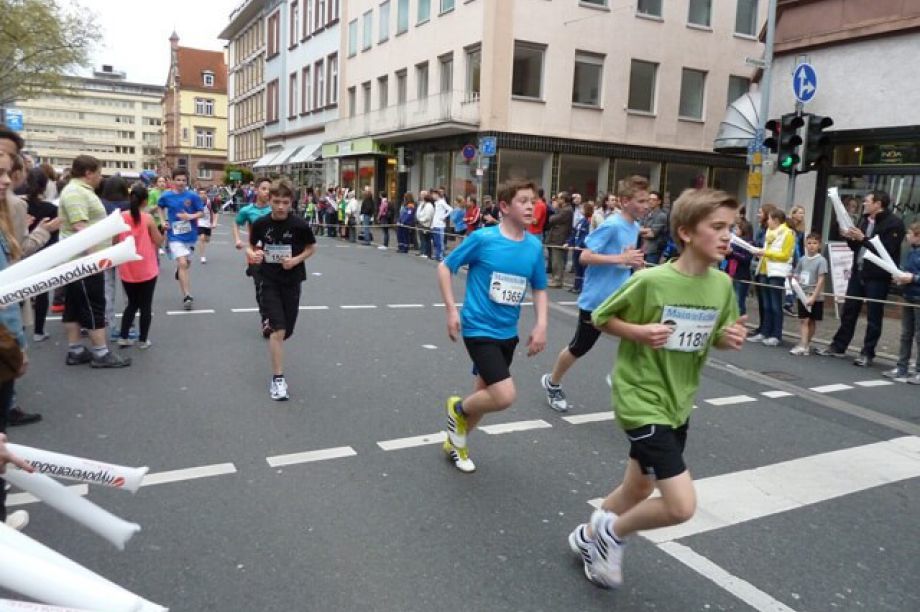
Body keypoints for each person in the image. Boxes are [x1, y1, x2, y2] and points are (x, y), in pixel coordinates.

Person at [567, 188, 746, 589]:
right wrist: (639, 332)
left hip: (678, 401)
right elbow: (601, 316)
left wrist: (727, 338)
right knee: (681, 506)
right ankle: (612, 533)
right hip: (641, 397)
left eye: (731, 228)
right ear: (685, 232)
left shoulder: (722, 285)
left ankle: (589, 536)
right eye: (717, 227)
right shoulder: (651, 280)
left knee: (639, 486)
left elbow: (717, 335)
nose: (727, 236)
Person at [437, 178, 548, 473]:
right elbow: (445, 267)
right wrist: (451, 310)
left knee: (483, 394)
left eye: (533, 201)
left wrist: (541, 324)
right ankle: (457, 409)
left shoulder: (534, 246)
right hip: (478, 328)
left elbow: (539, 287)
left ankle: (455, 443)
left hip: (508, 332)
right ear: (504, 206)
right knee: (503, 395)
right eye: (523, 201)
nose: (530, 206)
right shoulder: (483, 239)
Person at [541, 177, 648, 412]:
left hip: (621, 297)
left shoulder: (634, 227)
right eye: (641, 201)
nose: (646, 206)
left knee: (641, 335)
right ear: (625, 201)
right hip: (597, 299)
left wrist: (637, 266)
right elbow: (585, 257)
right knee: (580, 347)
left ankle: (622, 377)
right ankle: (552, 382)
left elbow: (626, 259)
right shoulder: (612, 225)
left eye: (647, 201)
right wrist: (621, 258)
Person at [817, 190, 905, 366]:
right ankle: (838, 346)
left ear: (878, 204)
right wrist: (850, 238)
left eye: (867, 201)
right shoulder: (864, 219)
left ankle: (867, 353)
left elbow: (887, 250)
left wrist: (863, 238)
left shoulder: (894, 223)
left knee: (874, 315)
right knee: (849, 310)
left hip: (877, 276)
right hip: (859, 270)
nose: (863, 204)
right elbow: (857, 246)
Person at [247, 180, 317, 400]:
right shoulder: (261, 223)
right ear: (269, 200)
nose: (280, 206)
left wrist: (295, 260)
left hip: (292, 280)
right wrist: (255, 254)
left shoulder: (299, 225)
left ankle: (278, 334)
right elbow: (252, 246)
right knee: (278, 330)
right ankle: (278, 379)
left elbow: (311, 248)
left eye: (285, 202)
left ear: (291, 202)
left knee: (287, 331)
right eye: (276, 201)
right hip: (268, 280)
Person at [58, 155, 131, 368]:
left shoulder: (79, 190)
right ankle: (101, 353)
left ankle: (75, 350)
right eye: (99, 173)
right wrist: (95, 260)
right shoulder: (76, 192)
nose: (101, 178)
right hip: (84, 261)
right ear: (88, 173)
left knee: (73, 306)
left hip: (77, 259)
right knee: (93, 304)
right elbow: (81, 229)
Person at [117, 185, 164, 349]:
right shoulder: (148, 218)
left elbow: (114, 241)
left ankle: (123, 336)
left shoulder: (121, 217)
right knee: (145, 306)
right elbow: (158, 241)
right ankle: (143, 340)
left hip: (127, 266)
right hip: (146, 266)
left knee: (132, 303)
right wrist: (163, 231)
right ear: (145, 201)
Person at [158, 168, 205, 311]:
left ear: (187, 181)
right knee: (183, 263)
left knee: (186, 264)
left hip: (190, 236)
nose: (181, 183)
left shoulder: (193, 196)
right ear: (172, 181)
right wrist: (163, 221)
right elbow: (160, 207)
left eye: (183, 180)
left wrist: (190, 216)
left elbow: (201, 213)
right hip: (174, 235)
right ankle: (187, 296)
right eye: (178, 180)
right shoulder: (166, 195)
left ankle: (179, 270)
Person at [749, 209, 794, 347]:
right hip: (764, 269)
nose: (767, 221)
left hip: (777, 272)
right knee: (766, 305)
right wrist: (760, 253)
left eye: (769, 219)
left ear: (776, 220)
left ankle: (776, 335)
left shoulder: (788, 233)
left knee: (775, 305)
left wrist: (766, 253)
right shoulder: (769, 232)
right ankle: (764, 332)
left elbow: (785, 255)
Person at [234, 177, 273, 336]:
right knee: (261, 286)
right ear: (256, 190)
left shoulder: (275, 209)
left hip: (272, 252)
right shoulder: (247, 210)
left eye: (269, 189)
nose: (267, 192)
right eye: (264, 188)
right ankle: (266, 320)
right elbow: (236, 223)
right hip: (255, 251)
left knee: (272, 285)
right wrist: (237, 239)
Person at [23, 168, 58, 343]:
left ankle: (18, 332)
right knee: (42, 292)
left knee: (19, 293)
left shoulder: (18, 205)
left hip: (20, 254)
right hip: (43, 254)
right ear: (45, 186)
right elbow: (54, 235)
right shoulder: (51, 209)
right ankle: (39, 331)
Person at [885, 223, 920, 383]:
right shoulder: (911, 251)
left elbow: (914, 275)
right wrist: (901, 277)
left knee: (919, 335)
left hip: (918, 297)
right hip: (908, 295)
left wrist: (912, 278)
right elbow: (908, 271)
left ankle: (918, 371)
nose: (907, 236)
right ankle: (902, 367)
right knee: (906, 334)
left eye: (910, 233)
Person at [789, 233, 828, 356]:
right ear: (805, 244)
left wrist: (814, 297)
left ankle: (806, 344)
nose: (811, 246)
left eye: (815, 243)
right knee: (804, 320)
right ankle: (803, 344)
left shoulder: (821, 260)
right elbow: (797, 273)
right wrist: (793, 277)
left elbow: (821, 280)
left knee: (812, 321)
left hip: (815, 295)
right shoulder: (802, 259)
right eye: (809, 243)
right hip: (803, 293)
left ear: (819, 245)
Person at [746, 204, 778, 342]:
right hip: (759, 266)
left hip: (768, 268)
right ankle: (762, 327)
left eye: (760, 212)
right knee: (762, 300)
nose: (758, 215)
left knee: (770, 302)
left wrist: (757, 247)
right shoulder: (761, 229)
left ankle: (770, 330)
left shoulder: (772, 231)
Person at [726, 218, 754, 316]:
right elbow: (728, 257)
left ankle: (740, 319)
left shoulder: (749, 243)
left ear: (743, 230)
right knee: (730, 300)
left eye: (737, 229)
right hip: (731, 273)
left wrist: (733, 253)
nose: (735, 231)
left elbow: (746, 258)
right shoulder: (733, 242)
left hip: (741, 275)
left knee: (739, 301)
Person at [545, 192, 573, 288]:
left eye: (559, 198)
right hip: (555, 236)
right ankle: (555, 278)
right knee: (554, 260)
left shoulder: (567, 210)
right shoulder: (563, 209)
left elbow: (552, 219)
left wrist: (555, 210)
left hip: (560, 237)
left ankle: (557, 280)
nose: (557, 200)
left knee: (557, 260)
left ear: (563, 200)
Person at [567, 202, 593, 294]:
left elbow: (585, 236)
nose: (581, 210)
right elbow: (574, 233)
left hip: (582, 248)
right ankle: (576, 286)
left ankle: (582, 287)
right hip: (576, 248)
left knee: (583, 268)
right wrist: (569, 243)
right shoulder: (581, 221)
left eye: (583, 208)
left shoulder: (588, 222)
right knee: (577, 267)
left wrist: (579, 244)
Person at [640, 190, 668, 264]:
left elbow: (652, 234)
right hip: (643, 249)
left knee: (649, 269)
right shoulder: (646, 213)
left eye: (653, 200)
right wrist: (647, 230)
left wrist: (641, 231)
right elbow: (638, 228)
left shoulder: (661, 215)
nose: (651, 201)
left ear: (659, 202)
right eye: (649, 199)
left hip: (653, 251)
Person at [430, 190, 452, 262]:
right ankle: (437, 255)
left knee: (440, 242)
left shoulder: (442, 202)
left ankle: (440, 256)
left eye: (433, 194)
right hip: (435, 225)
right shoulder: (436, 203)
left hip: (440, 225)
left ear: (437, 195)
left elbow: (450, 209)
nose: (432, 196)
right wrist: (432, 225)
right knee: (436, 242)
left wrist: (443, 217)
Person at [196, 186, 216, 263]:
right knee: (202, 238)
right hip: (199, 222)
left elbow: (215, 213)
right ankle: (202, 256)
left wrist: (214, 222)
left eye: (204, 193)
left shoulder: (210, 202)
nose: (202, 195)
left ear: (206, 194)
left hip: (208, 223)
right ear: (198, 195)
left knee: (207, 239)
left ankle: (206, 238)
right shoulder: (196, 202)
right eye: (201, 193)